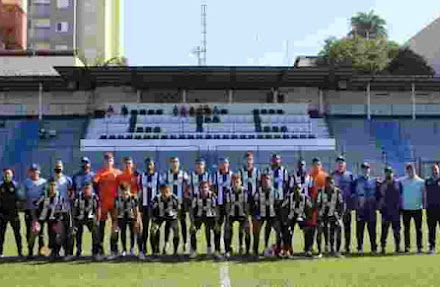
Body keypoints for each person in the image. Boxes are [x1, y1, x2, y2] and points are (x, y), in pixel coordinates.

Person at [94, 152, 122, 259]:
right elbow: (94, 185)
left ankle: (114, 249)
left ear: (113, 161)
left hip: (114, 204)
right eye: (106, 159)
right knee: (101, 227)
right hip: (103, 204)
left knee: (115, 226)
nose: (108, 161)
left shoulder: (118, 173)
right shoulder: (100, 173)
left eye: (110, 159)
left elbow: (124, 185)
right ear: (104, 161)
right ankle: (100, 250)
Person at [38, 178, 72, 261]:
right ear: (48, 186)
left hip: (58, 221)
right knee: (38, 232)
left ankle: (60, 252)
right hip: (46, 220)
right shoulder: (43, 197)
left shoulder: (61, 198)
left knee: (59, 234)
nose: (52, 187)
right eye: (51, 185)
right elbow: (39, 210)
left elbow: (65, 213)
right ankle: (42, 251)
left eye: (54, 185)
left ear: (57, 187)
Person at [251, 168, 282, 258]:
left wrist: (278, 218)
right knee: (256, 230)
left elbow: (278, 206)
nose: (266, 181)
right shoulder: (258, 192)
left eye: (268, 179)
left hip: (272, 216)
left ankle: (278, 250)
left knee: (279, 230)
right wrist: (255, 216)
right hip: (261, 215)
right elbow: (254, 206)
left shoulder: (275, 192)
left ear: (271, 181)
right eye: (264, 180)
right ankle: (255, 251)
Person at [161, 157, 189, 253]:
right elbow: (162, 188)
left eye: (176, 162)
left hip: (180, 203)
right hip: (170, 204)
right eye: (172, 162)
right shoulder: (166, 174)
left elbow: (187, 187)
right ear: (170, 163)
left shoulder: (183, 174)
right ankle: (166, 243)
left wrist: (186, 197)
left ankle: (185, 243)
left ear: (179, 163)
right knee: (168, 223)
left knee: (182, 223)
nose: (174, 164)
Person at [189, 181, 221, 259]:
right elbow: (191, 210)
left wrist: (217, 223)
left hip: (210, 217)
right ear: (199, 189)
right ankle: (193, 250)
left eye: (205, 187)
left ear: (209, 188)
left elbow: (217, 210)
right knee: (192, 230)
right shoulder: (196, 197)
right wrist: (192, 223)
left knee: (217, 230)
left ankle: (216, 250)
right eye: (202, 188)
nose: (204, 189)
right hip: (199, 217)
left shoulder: (213, 196)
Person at [116, 157, 141, 256]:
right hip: (122, 204)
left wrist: (135, 197)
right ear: (123, 164)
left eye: (129, 163)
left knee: (133, 229)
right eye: (126, 163)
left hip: (132, 203)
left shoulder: (136, 175)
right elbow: (118, 188)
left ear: (132, 164)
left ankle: (132, 248)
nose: (128, 165)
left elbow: (140, 188)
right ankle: (124, 249)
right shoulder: (120, 176)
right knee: (122, 230)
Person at [331, 156, 355, 254]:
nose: (340, 165)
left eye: (342, 163)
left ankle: (347, 247)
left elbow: (353, 191)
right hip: (335, 207)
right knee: (334, 228)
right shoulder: (332, 175)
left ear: (345, 164)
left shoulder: (350, 175)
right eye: (338, 163)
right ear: (336, 164)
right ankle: (333, 248)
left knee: (347, 227)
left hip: (347, 206)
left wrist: (352, 205)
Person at [353, 162, 378, 255]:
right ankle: (360, 248)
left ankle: (374, 248)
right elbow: (352, 193)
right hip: (360, 209)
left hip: (371, 209)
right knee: (360, 230)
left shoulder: (374, 181)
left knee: (372, 230)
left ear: (369, 170)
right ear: (361, 169)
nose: (365, 170)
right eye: (363, 168)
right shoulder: (356, 181)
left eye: (367, 168)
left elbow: (378, 194)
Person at [304, 158, 327, 257]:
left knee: (321, 228)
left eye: (318, 164)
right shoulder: (309, 176)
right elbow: (306, 191)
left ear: (321, 166)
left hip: (321, 206)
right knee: (310, 228)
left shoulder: (325, 176)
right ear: (312, 166)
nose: (316, 166)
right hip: (311, 207)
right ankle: (309, 248)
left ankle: (322, 249)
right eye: (314, 165)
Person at [400, 163, 425, 254]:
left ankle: (419, 247)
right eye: (408, 170)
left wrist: (424, 205)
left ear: (414, 170)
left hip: (417, 208)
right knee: (406, 229)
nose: (410, 171)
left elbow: (424, 195)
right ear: (406, 171)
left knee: (418, 229)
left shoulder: (421, 181)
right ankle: (407, 247)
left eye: (411, 169)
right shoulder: (402, 181)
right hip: (406, 209)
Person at [316, 175, 344, 258]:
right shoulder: (321, 191)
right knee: (320, 230)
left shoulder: (337, 192)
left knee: (339, 227)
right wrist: (319, 215)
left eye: (331, 183)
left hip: (334, 215)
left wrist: (339, 217)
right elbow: (317, 204)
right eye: (328, 183)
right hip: (323, 215)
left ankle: (336, 251)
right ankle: (320, 252)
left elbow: (341, 205)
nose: (330, 184)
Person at [224, 174, 251, 258]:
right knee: (227, 229)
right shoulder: (228, 191)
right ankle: (228, 249)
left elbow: (247, 206)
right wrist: (227, 220)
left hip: (242, 214)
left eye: (237, 182)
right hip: (231, 214)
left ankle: (244, 249)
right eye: (233, 182)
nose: (235, 184)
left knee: (245, 229)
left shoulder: (245, 192)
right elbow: (228, 206)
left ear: (241, 182)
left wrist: (247, 219)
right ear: (231, 183)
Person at [23, 164, 47, 258]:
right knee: (30, 231)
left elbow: (45, 195)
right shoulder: (26, 182)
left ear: (39, 172)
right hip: (29, 210)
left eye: (35, 170)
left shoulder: (43, 182)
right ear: (29, 172)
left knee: (41, 232)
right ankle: (30, 251)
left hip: (40, 210)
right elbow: (23, 195)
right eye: (32, 170)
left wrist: (40, 201)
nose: (34, 172)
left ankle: (42, 252)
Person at [138, 158, 160, 259]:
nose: (149, 166)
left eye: (150, 164)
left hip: (155, 207)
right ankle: (143, 248)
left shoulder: (158, 176)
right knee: (145, 229)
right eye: (147, 164)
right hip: (145, 206)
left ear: (153, 165)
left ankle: (155, 249)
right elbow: (139, 191)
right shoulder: (141, 176)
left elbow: (161, 191)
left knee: (155, 228)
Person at [150, 184, 180, 257]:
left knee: (176, 230)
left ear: (170, 191)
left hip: (171, 217)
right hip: (159, 216)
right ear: (160, 191)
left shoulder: (174, 198)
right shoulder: (156, 198)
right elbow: (151, 209)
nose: (165, 193)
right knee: (153, 230)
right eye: (163, 191)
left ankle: (175, 251)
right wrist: (153, 218)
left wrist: (175, 215)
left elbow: (178, 209)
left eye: (167, 191)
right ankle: (155, 250)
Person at [377, 166, 401, 254]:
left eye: (390, 172)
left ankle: (397, 248)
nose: (388, 174)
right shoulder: (381, 184)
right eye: (387, 172)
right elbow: (379, 197)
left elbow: (401, 196)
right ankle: (383, 248)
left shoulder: (398, 183)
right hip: (385, 211)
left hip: (395, 211)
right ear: (384, 173)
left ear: (392, 173)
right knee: (384, 231)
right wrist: (380, 209)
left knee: (397, 231)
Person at [72, 182, 99, 260]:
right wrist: (73, 222)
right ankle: (78, 250)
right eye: (85, 188)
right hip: (79, 218)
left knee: (96, 230)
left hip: (90, 219)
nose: (86, 190)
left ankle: (95, 251)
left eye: (88, 188)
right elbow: (74, 210)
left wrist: (97, 220)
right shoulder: (78, 196)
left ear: (91, 189)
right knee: (76, 231)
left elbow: (98, 209)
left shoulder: (94, 197)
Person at [212, 157, 233, 254]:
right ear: (219, 165)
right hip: (218, 205)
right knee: (217, 226)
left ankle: (228, 248)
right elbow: (212, 190)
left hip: (229, 205)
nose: (224, 165)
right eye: (222, 163)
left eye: (225, 163)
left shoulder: (232, 175)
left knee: (228, 227)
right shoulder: (215, 175)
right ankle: (217, 249)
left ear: (228, 164)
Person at [0, 168, 23, 257]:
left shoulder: (16, 186)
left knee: (17, 234)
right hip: (2, 214)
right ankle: (0, 253)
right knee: (1, 234)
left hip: (14, 214)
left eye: (8, 174)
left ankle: (20, 252)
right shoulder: (0, 186)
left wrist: (18, 210)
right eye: (5, 174)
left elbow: (20, 199)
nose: (7, 175)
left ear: (12, 175)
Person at [425, 163, 440, 255]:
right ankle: (432, 247)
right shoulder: (428, 181)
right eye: (433, 169)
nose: (435, 171)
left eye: (436, 169)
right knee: (431, 229)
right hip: (430, 208)